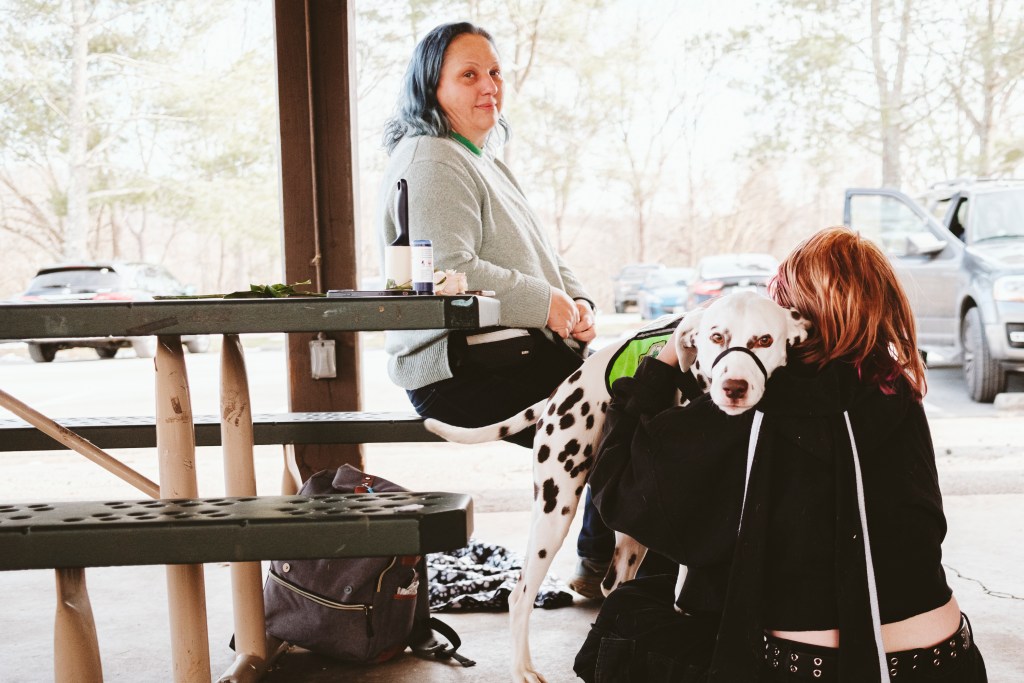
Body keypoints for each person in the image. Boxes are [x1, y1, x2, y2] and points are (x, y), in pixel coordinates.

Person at [577, 227, 987, 682]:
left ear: (791, 314)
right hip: (949, 660)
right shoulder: (897, 387)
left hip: (814, 671)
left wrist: (667, 360)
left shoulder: (755, 403)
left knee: (625, 621)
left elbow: (618, 491)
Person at [377, 21, 613, 595]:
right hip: (461, 369)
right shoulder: (432, 158)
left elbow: (543, 257)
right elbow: (447, 273)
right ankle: (608, 568)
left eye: (495, 72)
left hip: (513, 351)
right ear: (431, 87)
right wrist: (548, 304)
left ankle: (606, 564)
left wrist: (574, 300)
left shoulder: (479, 157)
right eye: (469, 74)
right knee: (629, 412)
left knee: (637, 396)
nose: (490, 86)